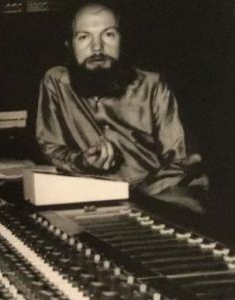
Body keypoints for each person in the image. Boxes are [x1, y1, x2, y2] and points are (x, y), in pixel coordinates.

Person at [35, 1, 208, 213]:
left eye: (108, 35)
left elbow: (181, 162)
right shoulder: (55, 82)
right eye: (84, 37)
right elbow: (51, 146)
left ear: (122, 41)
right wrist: (82, 161)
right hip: (89, 199)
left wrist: (131, 198)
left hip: (160, 196)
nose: (97, 47)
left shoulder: (154, 85)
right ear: (69, 46)